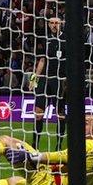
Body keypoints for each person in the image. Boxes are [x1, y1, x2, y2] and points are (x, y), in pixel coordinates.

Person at [30, 16, 66, 152]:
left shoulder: (67, 39)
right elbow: (42, 60)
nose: (54, 25)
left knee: (60, 113)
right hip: (45, 79)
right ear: (49, 25)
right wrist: (35, 78)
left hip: (60, 80)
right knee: (38, 112)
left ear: (61, 24)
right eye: (51, 23)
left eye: (56, 23)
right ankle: (35, 144)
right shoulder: (45, 39)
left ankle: (58, 145)